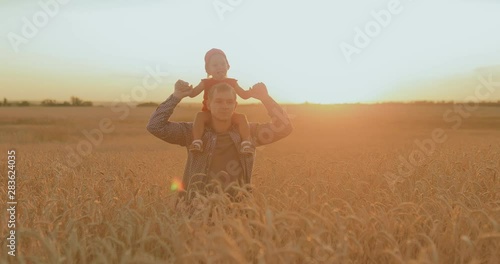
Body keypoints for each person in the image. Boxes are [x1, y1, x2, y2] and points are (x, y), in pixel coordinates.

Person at [146, 80, 293, 202]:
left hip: (238, 210)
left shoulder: (248, 133)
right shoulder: (192, 133)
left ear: (235, 106)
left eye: (229, 102)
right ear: (209, 104)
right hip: (196, 209)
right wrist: (176, 97)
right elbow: (155, 126)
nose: (224, 106)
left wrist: (265, 98)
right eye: (219, 101)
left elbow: (285, 127)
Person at [178, 48, 255, 154]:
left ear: (228, 66)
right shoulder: (205, 82)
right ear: (208, 70)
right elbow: (193, 94)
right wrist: (186, 89)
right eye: (215, 65)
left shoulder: (232, 82)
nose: (220, 67)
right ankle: (197, 141)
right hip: (208, 114)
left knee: (242, 118)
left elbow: (244, 95)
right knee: (199, 116)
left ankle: (246, 142)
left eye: (222, 64)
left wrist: (253, 92)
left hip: (229, 114)